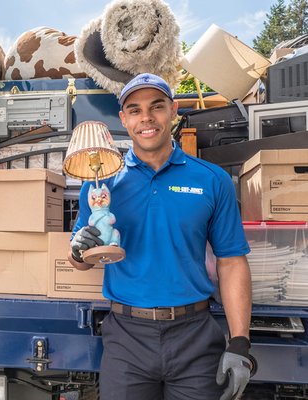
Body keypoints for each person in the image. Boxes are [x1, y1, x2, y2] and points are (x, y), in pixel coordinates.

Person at [68, 73, 254, 400]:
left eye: (156, 106)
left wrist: (240, 342)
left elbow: (231, 261)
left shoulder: (212, 180)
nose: (146, 118)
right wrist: (80, 250)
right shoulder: (99, 186)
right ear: (123, 118)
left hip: (195, 336)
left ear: (173, 110)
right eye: (135, 110)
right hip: (127, 338)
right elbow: (80, 262)